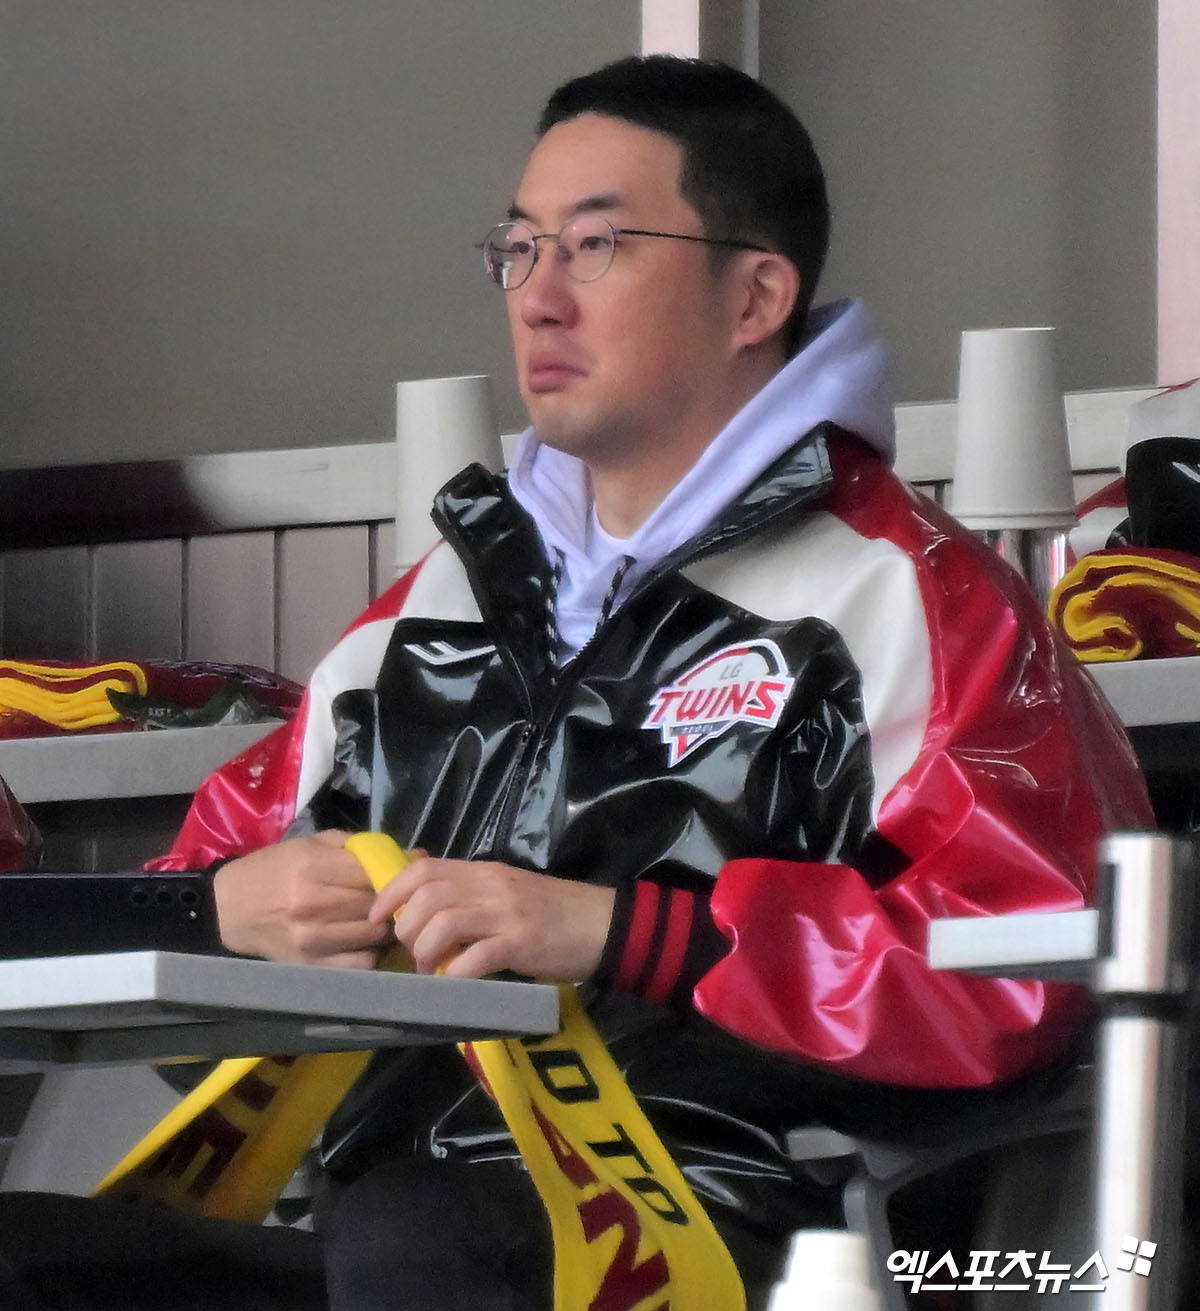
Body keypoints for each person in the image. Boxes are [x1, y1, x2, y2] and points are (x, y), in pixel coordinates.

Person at [0, 54, 1152, 1311]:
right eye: (519, 249)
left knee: (425, 1236)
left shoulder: (913, 598)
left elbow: (1023, 975)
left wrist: (629, 935)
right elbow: (191, 890)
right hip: (380, 1226)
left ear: (755, 294)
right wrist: (226, 910)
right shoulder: (437, 603)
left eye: (597, 246)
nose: (539, 300)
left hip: (740, 1232)